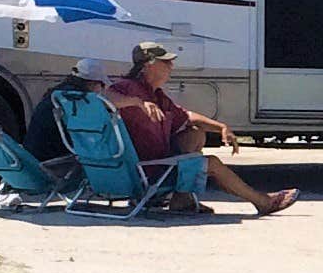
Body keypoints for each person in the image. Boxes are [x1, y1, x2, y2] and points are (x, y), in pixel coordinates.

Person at [104, 42, 296, 218]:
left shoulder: (157, 95)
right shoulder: (129, 88)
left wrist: (221, 127)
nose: (171, 66)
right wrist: (137, 102)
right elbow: (105, 97)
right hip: (147, 169)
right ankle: (263, 202)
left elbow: (186, 116)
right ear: (149, 65)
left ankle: (183, 199)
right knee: (211, 163)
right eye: (166, 62)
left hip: (155, 163)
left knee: (194, 133)